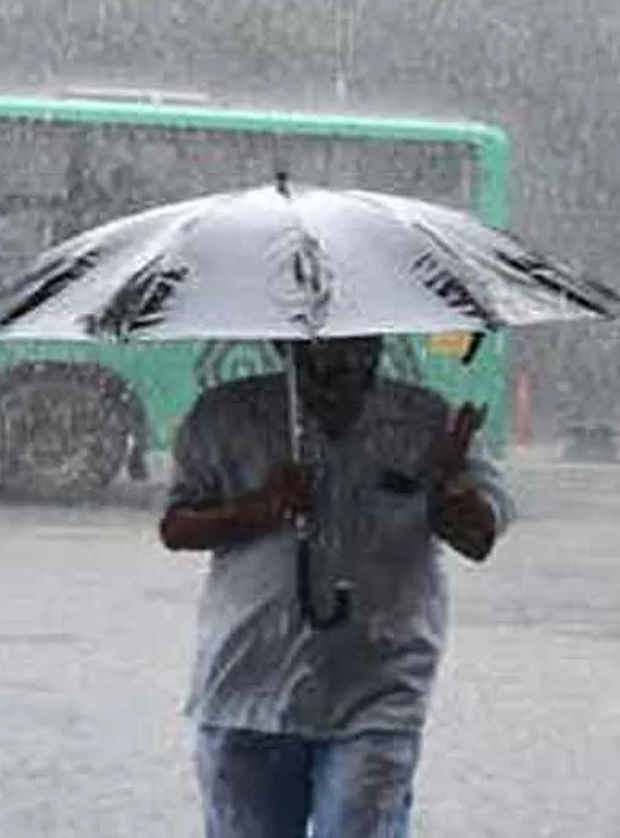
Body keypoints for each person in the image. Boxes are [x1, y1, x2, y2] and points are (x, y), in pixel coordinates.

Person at [160, 336, 514, 838]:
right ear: (285, 348)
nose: (344, 366)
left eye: (359, 351)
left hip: (375, 688)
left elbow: (478, 537)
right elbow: (176, 527)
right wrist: (257, 508)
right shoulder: (222, 416)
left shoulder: (427, 422)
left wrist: (452, 489)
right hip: (245, 687)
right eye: (323, 356)